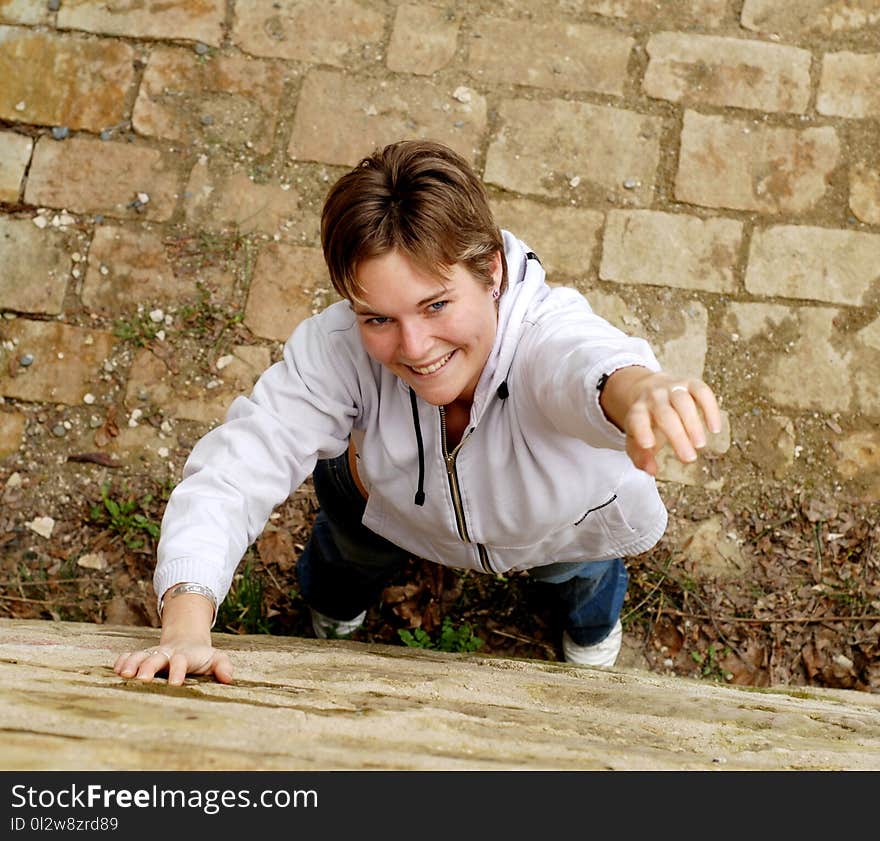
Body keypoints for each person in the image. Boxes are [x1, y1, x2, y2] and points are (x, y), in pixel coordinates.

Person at [114, 139, 721, 686]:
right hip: (385, 505)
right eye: (377, 317)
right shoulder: (336, 347)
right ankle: (335, 613)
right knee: (346, 555)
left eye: (436, 305)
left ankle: (587, 637)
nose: (414, 348)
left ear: (492, 271)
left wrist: (637, 390)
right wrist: (187, 626)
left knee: (582, 575)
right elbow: (237, 468)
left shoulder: (545, 332)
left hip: (556, 524)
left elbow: (587, 364)